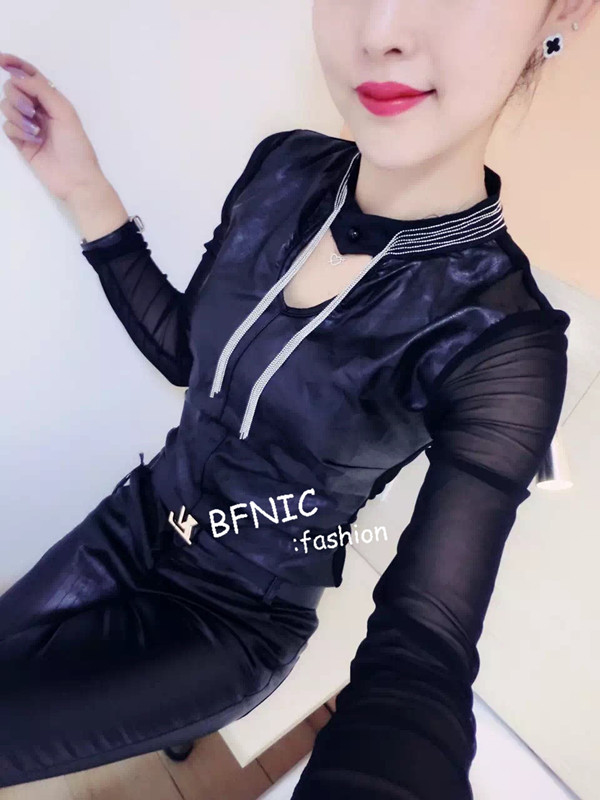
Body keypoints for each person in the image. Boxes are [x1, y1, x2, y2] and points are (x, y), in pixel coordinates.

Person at [0, 0, 592, 794]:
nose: (381, 29)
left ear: (564, 9)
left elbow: (423, 654)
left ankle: (181, 712)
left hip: (230, 619)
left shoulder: (504, 342)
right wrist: (82, 184)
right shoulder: (283, 166)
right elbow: (186, 355)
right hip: (139, 516)